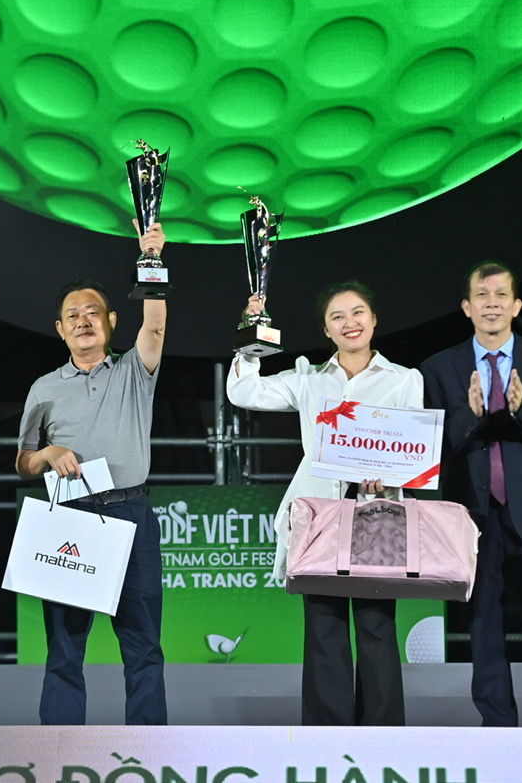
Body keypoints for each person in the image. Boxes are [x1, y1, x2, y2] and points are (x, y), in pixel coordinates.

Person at [227, 282, 421, 726]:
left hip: (378, 514)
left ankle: (384, 738)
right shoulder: (309, 379)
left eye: (358, 313)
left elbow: (413, 450)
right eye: (338, 317)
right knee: (324, 627)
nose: (349, 322)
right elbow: (244, 393)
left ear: (374, 321)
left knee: (376, 626)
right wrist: (251, 336)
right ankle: (328, 741)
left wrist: (387, 479)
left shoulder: (405, 380)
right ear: (326, 330)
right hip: (319, 515)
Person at [15, 221, 168, 726]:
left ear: (112, 321)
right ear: (59, 328)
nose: (83, 322)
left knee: (144, 647)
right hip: (71, 517)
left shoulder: (133, 370)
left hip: (131, 514)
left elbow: (156, 327)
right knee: (63, 649)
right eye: (72, 316)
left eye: (93, 313)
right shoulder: (42, 388)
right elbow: (22, 461)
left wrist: (151, 259)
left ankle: (148, 756)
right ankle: (59, 756)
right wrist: (48, 452)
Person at [420, 261, 522, 727]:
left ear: (516, 305)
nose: (492, 303)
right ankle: (497, 726)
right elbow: (429, 444)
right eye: (482, 296)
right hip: (472, 513)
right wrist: (469, 416)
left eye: (501, 295)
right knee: (483, 620)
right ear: (467, 307)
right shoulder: (439, 368)